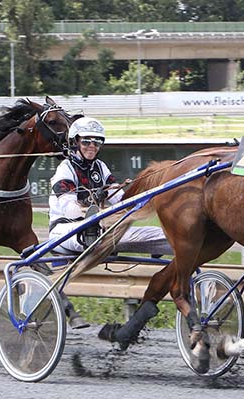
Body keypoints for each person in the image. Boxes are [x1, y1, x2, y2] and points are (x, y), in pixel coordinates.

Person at [48, 116, 172, 329]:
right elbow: (71, 210)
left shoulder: (100, 168)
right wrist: (95, 201)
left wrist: (143, 196)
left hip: (105, 233)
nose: (92, 146)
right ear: (75, 141)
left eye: (97, 142)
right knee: (90, 228)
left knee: (164, 235)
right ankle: (95, 235)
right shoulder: (65, 169)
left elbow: (121, 203)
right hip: (65, 231)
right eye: (87, 141)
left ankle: (163, 243)